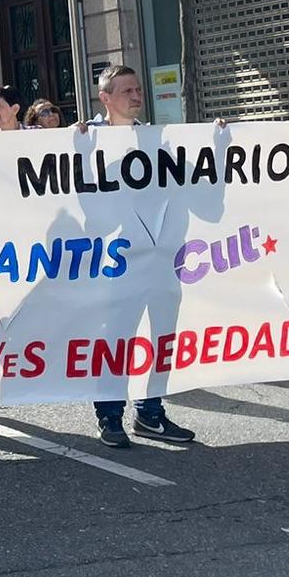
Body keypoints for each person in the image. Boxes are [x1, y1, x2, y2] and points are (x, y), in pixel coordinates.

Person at [77, 65, 196, 448]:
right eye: (126, 90)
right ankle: (110, 416)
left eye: (138, 88)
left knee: (161, 338)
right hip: (118, 263)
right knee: (117, 339)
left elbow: (196, 187)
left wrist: (219, 141)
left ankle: (151, 413)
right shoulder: (90, 139)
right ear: (105, 98)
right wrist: (78, 149)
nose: (135, 95)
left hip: (162, 261)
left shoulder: (158, 140)